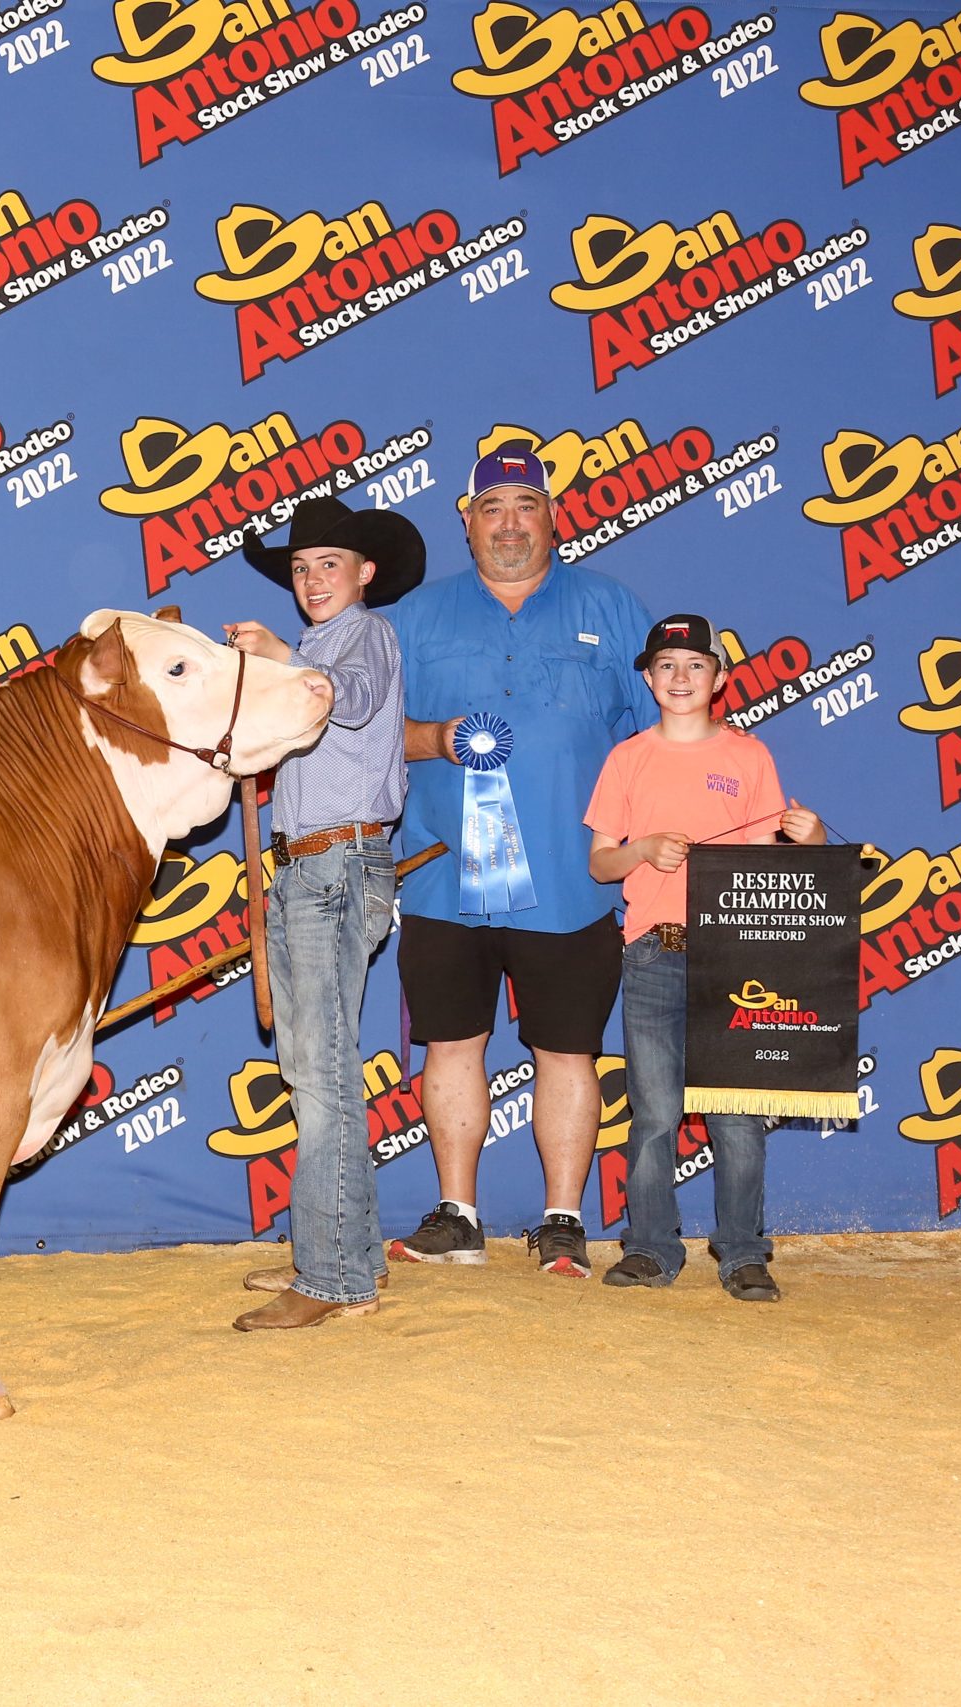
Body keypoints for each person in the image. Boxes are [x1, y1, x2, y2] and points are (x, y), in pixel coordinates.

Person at [383, 444, 653, 1279]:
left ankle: (563, 1219)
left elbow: (654, 741)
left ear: (553, 516)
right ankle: (458, 1213)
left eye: (525, 506)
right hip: (441, 875)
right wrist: (434, 740)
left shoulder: (611, 609)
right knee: (452, 1045)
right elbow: (364, 738)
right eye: (492, 507)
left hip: (573, 883)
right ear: (466, 522)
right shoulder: (414, 618)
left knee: (569, 1050)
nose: (509, 523)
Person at [220, 495, 419, 1331]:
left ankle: (334, 1277)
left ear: (364, 573)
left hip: (336, 862)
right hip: (312, 863)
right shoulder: (314, 649)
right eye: (300, 569)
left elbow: (361, 699)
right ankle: (347, 1251)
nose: (311, 580)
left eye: (327, 565)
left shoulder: (360, 639)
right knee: (314, 1068)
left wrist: (279, 663)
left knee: (326, 1073)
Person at [586, 615, 820, 1303]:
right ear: (648, 678)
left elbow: (776, 866)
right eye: (666, 666)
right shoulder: (626, 758)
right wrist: (641, 849)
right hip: (655, 952)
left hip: (735, 952)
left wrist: (804, 840)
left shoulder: (750, 757)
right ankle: (651, 1246)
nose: (680, 677)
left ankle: (743, 1250)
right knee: (653, 1112)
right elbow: (601, 862)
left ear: (718, 677)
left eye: (694, 665)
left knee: (738, 1115)